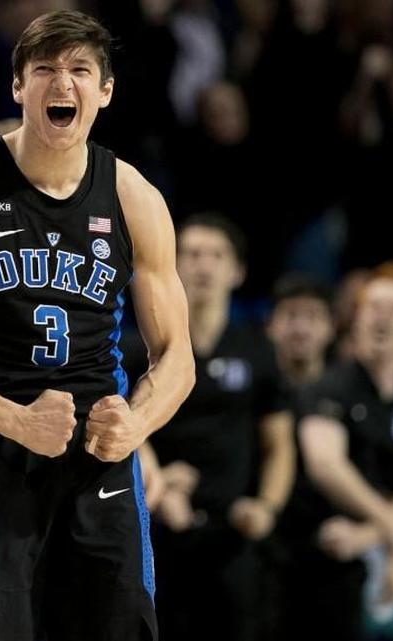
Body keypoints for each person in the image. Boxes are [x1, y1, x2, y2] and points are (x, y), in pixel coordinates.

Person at [0, 10, 195, 640]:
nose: (63, 83)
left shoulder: (134, 197)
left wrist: (137, 420)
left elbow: (177, 357)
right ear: (18, 87)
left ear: (105, 91)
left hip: (99, 456)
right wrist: (15, 419)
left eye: (80, 70)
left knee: (121, 624)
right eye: (45, 69)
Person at [146, 214, 295, 641]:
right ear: (172, 265)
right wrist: (156, 487)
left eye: (216, 255)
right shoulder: (144, 342)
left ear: (238, 271)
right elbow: (127, 433)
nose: (203, 265)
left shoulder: (257, 348)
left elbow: (279, 444)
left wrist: (266, 506)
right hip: (160, 532)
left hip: (234, 535)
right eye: (191, 254)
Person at [279, 262, 393, 641]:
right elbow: (327, 465)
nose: (382, 318)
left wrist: (378, 545)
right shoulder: (330, 387)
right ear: (356, 320)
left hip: (347, 565)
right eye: (373, 308)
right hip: (292, 559)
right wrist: (392, 528)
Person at [266, 273, 334, 390]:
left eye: (312, 315)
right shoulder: (251, 393)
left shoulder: (348, 395)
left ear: (331, 327)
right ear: (269, 326)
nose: (300, 329)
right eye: (290, 315)